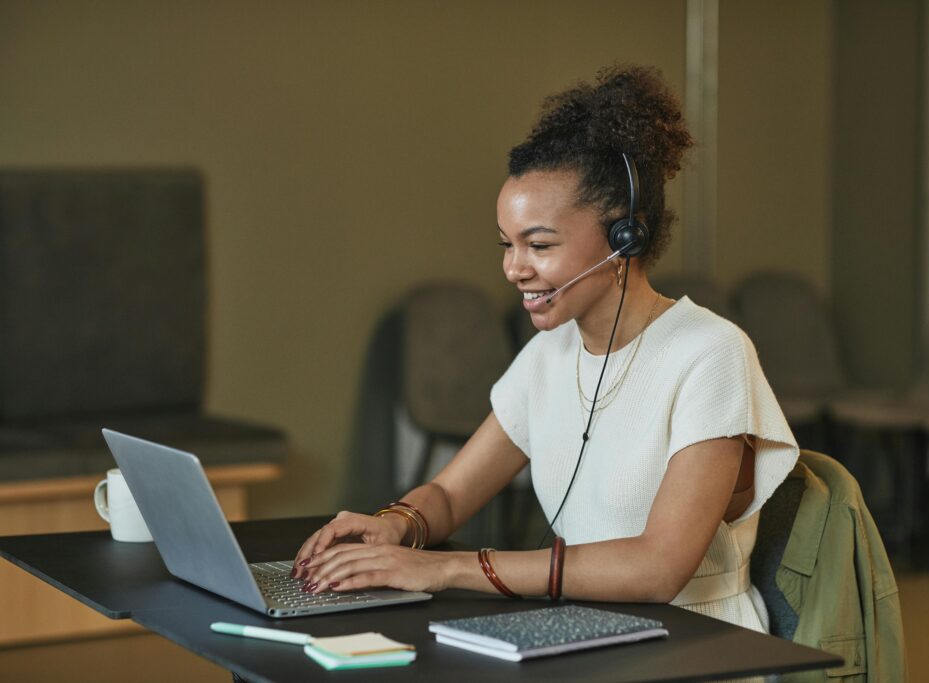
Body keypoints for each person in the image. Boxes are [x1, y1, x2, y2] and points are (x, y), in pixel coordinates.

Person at [292, 64, 798, 633]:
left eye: (540, 244)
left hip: (697, 640)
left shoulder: (711, 353)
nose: (514, 268)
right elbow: (449, 495)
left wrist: (445, 569)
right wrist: (394, 527)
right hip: (582, 631)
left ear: (624, 236)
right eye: (508, 245)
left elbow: (658, 570)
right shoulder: (547, 354)